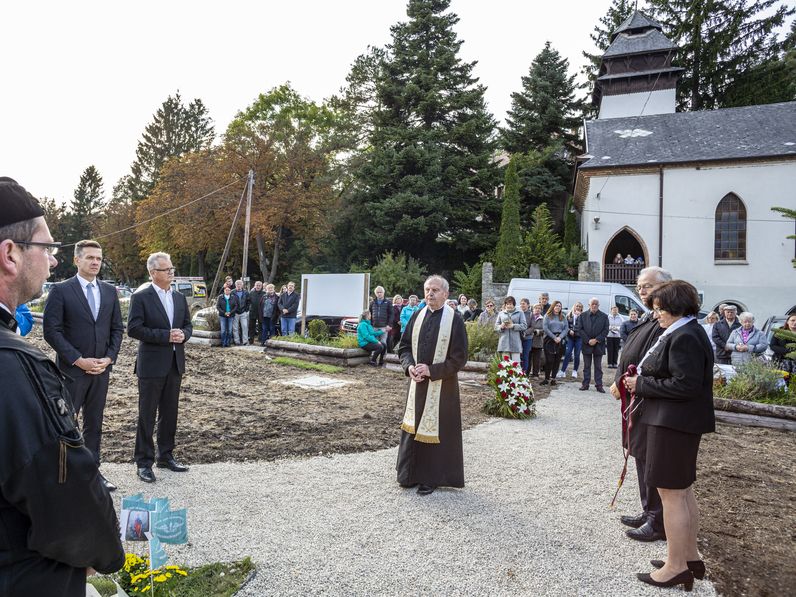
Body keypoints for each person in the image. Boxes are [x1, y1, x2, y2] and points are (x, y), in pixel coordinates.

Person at [0, 177, 124, 594]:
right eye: (48, 249)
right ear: (10, 255)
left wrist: (107, 357)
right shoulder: (14, 367)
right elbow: (65, 494)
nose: (53, 262)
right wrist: (100, 552)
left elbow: (117, 330)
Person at [623, 280, 715, 590]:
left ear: (675, 307)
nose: (656, 313)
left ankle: (676, 567)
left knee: (672, 495)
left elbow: (686, 385)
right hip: (676, 423)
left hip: (673, 424)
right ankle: (689, 556)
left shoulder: (685, 335)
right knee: (682, 492)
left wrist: (641, 385)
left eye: (660, 308)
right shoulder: (684, 330)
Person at [42, 239, 123, 492]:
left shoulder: (110, 292)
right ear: (77, 260)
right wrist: (78, 359)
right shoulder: (62, 290)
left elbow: (117, 329)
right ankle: (64, 476)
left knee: (94, 423)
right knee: (67, 423)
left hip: (101, 370)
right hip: (72, 371)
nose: (95, 262)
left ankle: (92, 473)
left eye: (98, 258)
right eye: (90, 257)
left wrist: (108, 359)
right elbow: (51, 331)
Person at [609, 266, 671, 544]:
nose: (641, 290)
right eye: (639, 286)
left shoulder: (666, 320)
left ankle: (657, 520)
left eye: (648, 286)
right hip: (635, 397)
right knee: (639, 454)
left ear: (665, 288)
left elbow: (651, 360)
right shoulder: (651, 316)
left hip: (649, 398)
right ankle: (649, 511)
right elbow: (630, 352)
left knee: (651, 458)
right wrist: (617, 379)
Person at [397, 275, 468, 495]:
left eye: (435, 290)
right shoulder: (417, 315)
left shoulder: (454, 319)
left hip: (442, 387)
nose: (430, 294)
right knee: (413, 426)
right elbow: (404, 347)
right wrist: (409, 367)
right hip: (417, 385)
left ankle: (431, 477)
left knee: (436, 431)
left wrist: (432, 370)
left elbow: (459, 358)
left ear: (446, 294)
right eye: (428, 289)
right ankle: (408, 474)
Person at [128, 252, 192, 483]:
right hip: (151, 364)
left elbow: (188, 325)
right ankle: (143, 462)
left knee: (170, 413)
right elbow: (133, 328)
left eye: (172, 268)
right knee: (147, 415)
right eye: (167, 269)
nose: (172, 272)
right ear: (153, 273)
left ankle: (165, 455)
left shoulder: (178, 297)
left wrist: (184, 334)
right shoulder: (141, 297)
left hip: (175, 363)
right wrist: (165, 336)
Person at [576, 297, 609, 392]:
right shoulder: (583, 315)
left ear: (598, 305)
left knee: (598, 366)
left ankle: (599, 385)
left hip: (599, 345)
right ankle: (585, 384)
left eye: (596, 304)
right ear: (589, 305)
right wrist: (588, 340)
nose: (594, 305)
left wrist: (596, 340)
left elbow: (606, 330)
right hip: (587, 344)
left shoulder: (604, 316)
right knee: (586, 366)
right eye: (592, 304)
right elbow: (580, 329)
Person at [541, 300, 567, 385]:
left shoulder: (563, 317)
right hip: (549, 340)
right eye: (556, 306)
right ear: (553, 306)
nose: (558, 307)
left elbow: (566, 328)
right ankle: (547, 378)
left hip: (560, 340)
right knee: (550, 360)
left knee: (557, 360)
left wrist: (560, 337)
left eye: (559, 306)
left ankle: (553, 378)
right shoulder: (547, 316)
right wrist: (554, 337)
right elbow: (545, 328)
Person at [495, 296, 526, 363]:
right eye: (507, 304)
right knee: (505, 365)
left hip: (515, 343)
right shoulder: (501, 313)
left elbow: (524, 326)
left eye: (511, 304)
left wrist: (513, 326)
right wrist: (501, 326)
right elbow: (496, 327)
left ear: (513, 304)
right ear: (505, 305)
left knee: (516, 364)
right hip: (504, 343)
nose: (509, 306)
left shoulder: (520, 313)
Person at [559, 302, 583, 379]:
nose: (578, 308)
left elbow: (584, 327)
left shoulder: (583, 316)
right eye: (577, 306)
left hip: (579, 338)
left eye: (580, 306)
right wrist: (569, 331)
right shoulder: (569, 315)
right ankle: (563, 370)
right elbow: (565, 326)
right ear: (574, 306)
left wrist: (579, 317)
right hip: (570, 337)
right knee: (568, 352)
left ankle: (575, 370)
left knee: (577, 354)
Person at [369, 286, 394, 351]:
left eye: (380, 292)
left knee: (383, 342)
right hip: (374, 327)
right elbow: (369, 314)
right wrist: (370, 325)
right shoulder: (372, 303)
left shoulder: (388, 302)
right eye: (377, 292)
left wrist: (389, 325)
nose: (379, 293)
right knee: (375, 342)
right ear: (375, 293)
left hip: (384, 327)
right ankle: (374, 358)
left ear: (383, 293)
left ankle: (382, 358)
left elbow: (391, 314)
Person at [232, 279, 250, 346]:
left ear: (242, 285)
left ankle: (245, 341)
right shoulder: (232, 292)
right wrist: (233, 311)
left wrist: (246, 310)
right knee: (235, 328)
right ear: (235, 285)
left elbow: (248, 302)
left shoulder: (246, 292)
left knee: (245, 327)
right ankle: (237, 341)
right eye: (237, 284)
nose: (239, 285)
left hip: (243, 312)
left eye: (240, 284)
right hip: (235, 312)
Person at [529, 303, 545, 378]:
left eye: (539, 308)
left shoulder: (543, 319)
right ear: (532, 309)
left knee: (537, 359)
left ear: (541, 310)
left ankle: (535, 374)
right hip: (528, 340)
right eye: (536, 308)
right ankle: (527, 373)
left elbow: (544, 330)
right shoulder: (529, 317)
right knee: (528, 358)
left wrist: (537, 331)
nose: (537, 309)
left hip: (538, 341)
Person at [519, 298, 533, 375]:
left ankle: (524, 374)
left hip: (527, 338)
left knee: (525, 356)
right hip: (518, 338)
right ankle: (518, 372)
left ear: (528, 305)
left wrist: (525, 332)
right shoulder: (518, 313)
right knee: (518, 356)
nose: (522, 305)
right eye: (521, 303)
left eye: (523, 304)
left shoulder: (531, 314)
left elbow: (532, 327)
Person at [248, 280, 265, 345]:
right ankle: (251, 340)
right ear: (255, 286)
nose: (258, 286)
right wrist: (248, 308)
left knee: (261, 327)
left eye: (259, 285)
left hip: (261, 313)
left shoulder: (264, 293)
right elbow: (248, 301)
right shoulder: (251, 293)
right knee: (251, 327)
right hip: (252, 312)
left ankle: (260, 340)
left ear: (261, 286)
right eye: (257, 285)